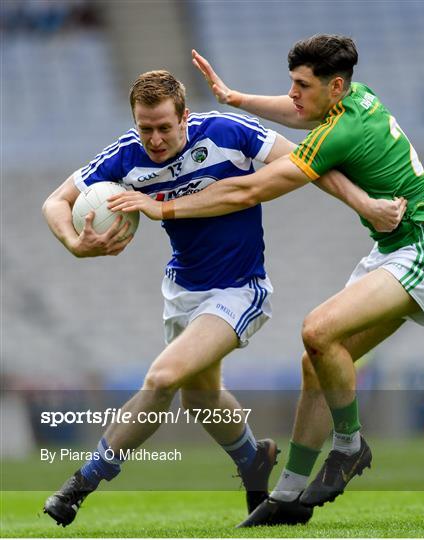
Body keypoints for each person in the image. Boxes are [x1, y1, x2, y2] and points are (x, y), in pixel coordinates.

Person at [108, 35, 424, 528]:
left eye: (301, 84)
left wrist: (161, 206)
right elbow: (298, 114)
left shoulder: (342, 131)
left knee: (318, 330)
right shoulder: (354, 100)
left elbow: (252, 188)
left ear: (333, 86)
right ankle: (289, 497)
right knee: (315, 362)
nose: (292, 93)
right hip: (394, 251)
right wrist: (237, 100)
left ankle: (348, 446)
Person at [41, 68, 402, 528]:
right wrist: (75, 243)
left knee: (163, 376)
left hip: (240, 289)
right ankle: (253, 459)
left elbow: (311, 164)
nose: (153, 139)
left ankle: (79, 485)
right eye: (144, 128)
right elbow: (55, 202)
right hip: (182, 291)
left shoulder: (229, 133)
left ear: (185, 118)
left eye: (164, 128)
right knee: (201, 396)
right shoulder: (126, 155)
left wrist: (366, 205)